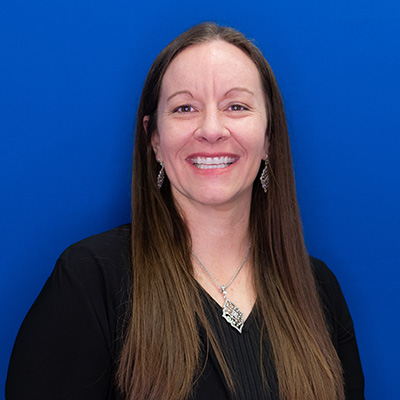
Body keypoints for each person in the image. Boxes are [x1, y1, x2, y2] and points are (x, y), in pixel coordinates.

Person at [6, 22, 364, 400]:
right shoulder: (90, 280)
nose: (211, 129)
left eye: (236, 106)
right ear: (155, 140)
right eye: (185, 107)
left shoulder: (319, 288)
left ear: (269, 139)